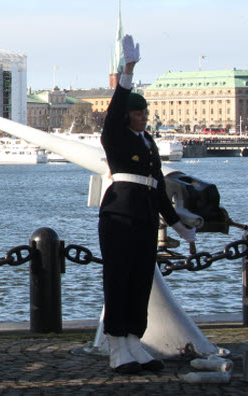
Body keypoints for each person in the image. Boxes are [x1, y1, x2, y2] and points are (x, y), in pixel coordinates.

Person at [98, 35, 195, 374]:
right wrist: (128, 70)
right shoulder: (116, 135)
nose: (143, 118)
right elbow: (114, 109)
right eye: (138, 113)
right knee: (119, 279)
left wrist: (177, 223)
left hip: (144, 214)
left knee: (140, 279)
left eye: (145, 113)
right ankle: (116, 346)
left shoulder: (147, 141)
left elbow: (156, 187)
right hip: (120, 213)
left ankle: (134, 341)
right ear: (126, 116)